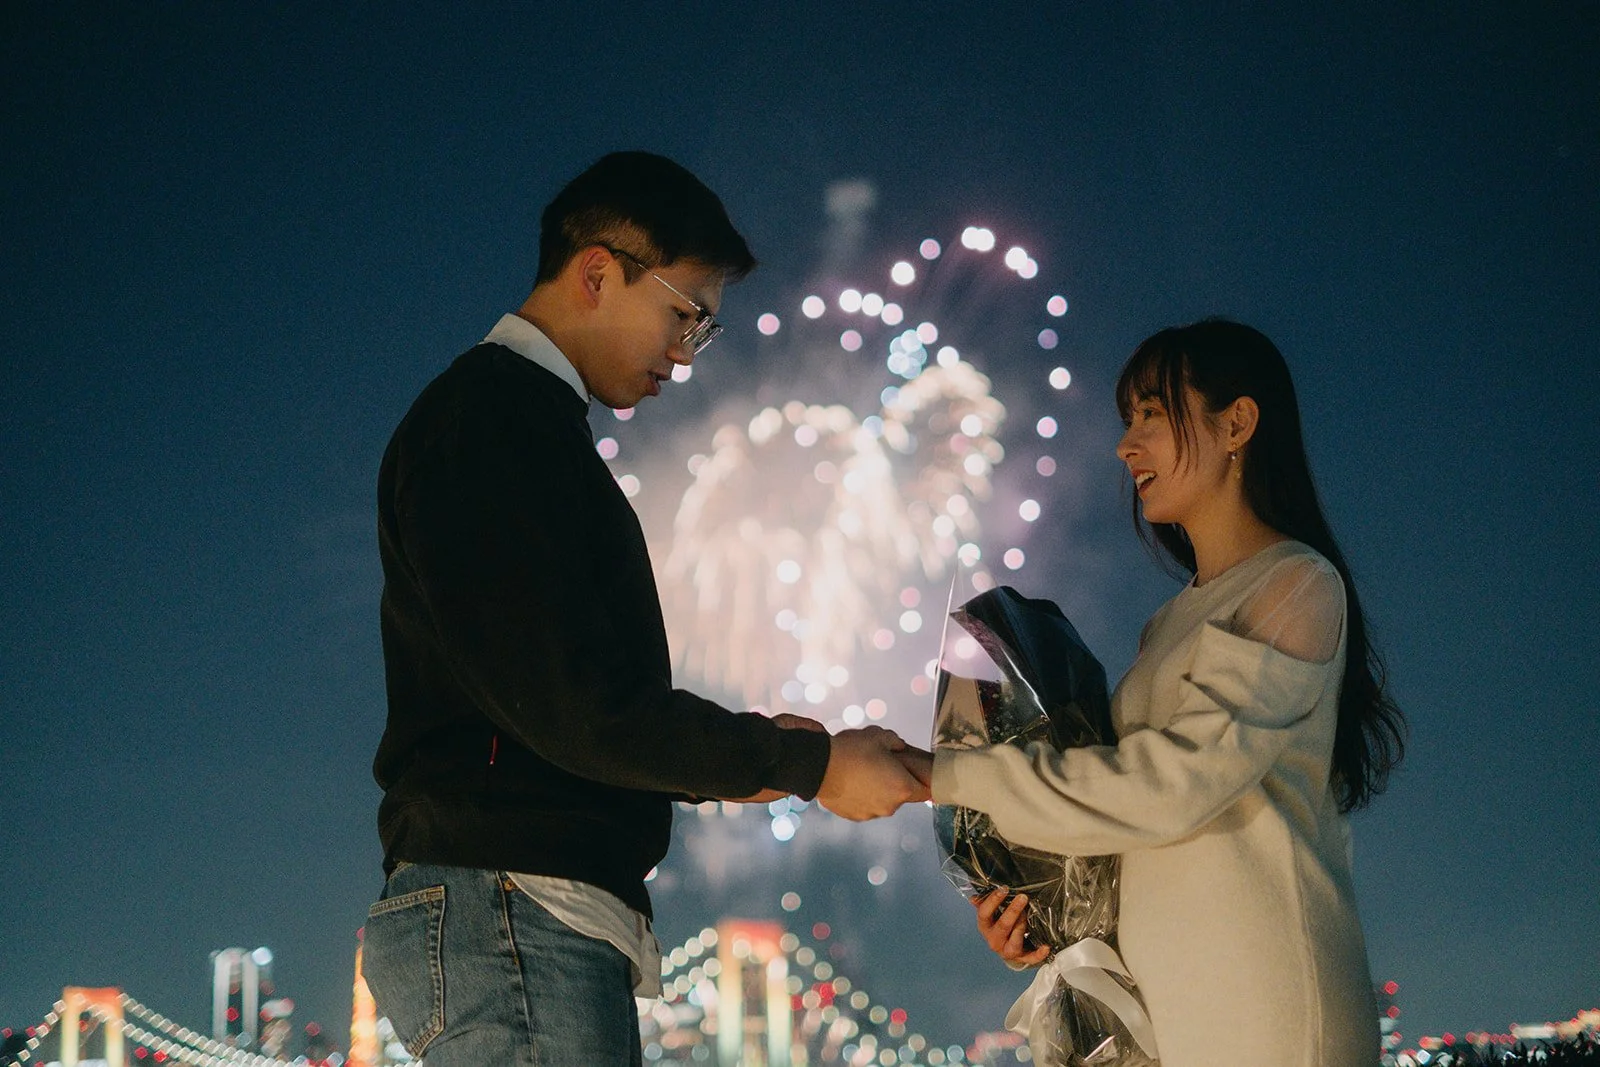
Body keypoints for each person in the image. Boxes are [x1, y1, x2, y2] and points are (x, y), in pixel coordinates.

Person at [362, 151, 930, 1066]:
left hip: (514, 905)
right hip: (512, 902)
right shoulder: (492, 426)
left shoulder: (517, 426)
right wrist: (806, 762)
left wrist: (779, 759)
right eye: (684, 315)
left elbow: (570, 695)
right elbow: (576, 706)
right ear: (597, 271)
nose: (686, 352)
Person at [933, 320, 1405, 1066]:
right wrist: (1044, 912)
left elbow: (1173, 785)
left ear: (1236, 424)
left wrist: (937, 774)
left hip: (1267, 1006)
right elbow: (1136, 829)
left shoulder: (1296, 583)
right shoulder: (1167, 625)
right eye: (1128, 419)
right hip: (1173, 1009)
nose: (1127, 445)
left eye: (1152, 413)